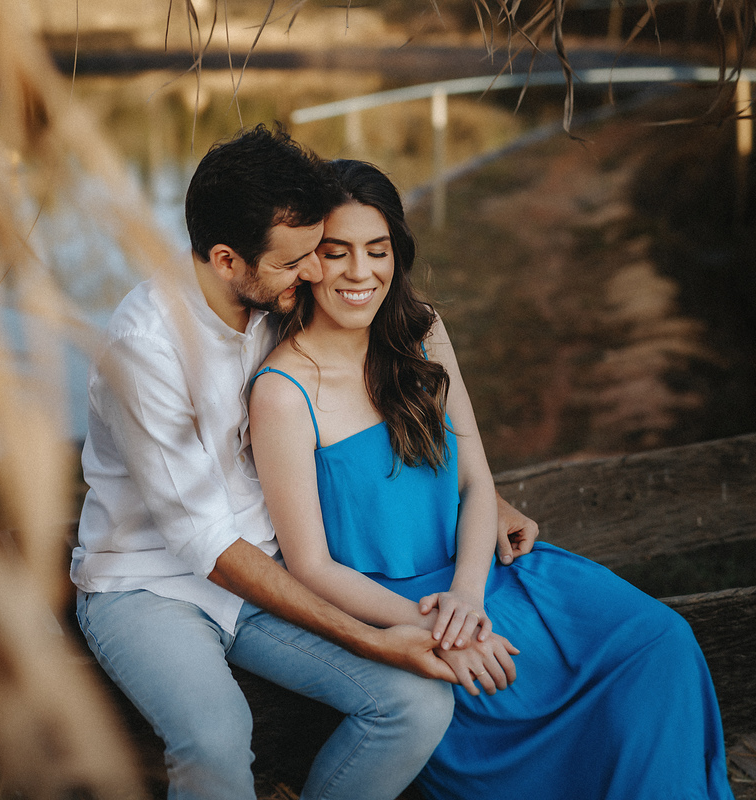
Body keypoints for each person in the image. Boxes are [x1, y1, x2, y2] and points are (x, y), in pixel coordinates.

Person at [71, 125, 539, 800]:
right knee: (217, 742)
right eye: (298, 262)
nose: (316, 272)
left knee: (415, 704)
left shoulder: (271, 299)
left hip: (270, 570)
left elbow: (374, 387)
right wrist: (383, 635)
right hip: (152, 585)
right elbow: (206, 544)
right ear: (228, 260)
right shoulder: (145, 350)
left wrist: (479, 495)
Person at [248, 159, 733, 800]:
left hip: (483, 577)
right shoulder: (282, 391)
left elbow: (477, 484)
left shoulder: (422, 332)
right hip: (397, 609)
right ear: (307, 262)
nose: (360, 273)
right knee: (511, 696)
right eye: (336, 254)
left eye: (378, 250)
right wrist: (436, 629)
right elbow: (310, 567)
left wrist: (469, 599)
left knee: (658, 642)